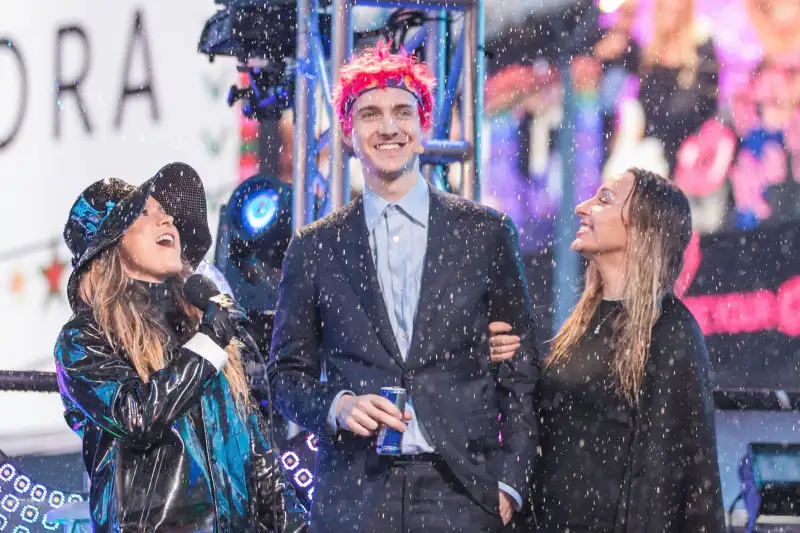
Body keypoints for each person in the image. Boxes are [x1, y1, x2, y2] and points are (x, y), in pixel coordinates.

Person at [268, 43, 539, 533]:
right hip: (354, 492)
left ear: (424, 128)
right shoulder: (314, 248)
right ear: (349, 133)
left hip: (460, 488)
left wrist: (510, 481)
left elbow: (520, 367)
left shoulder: (485, 233)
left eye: (402, 112)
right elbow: (285, 377)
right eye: (370, 113)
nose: (388, 127)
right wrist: (338, 405)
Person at [53, 162, 308, 533]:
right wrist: (207, 343)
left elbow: (260, 460)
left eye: (167, 213)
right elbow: (137, 416)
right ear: (110, 248)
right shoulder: (83, 340)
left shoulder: (202, 330)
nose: (166, 220)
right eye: (145, 213)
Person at [492, 167, 725, 532]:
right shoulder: (587, 320)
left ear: (645, 227)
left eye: (603, 200)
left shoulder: (671, 331)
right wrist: (507, 359)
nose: (582, 208)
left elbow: (684, 482)